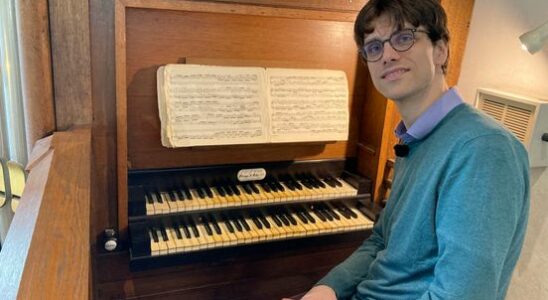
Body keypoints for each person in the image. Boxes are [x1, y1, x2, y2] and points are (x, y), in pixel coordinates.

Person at [285, 0, 530, 299]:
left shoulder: (483, 149)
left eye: (403, 37)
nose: (387, 54)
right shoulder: (414, 139)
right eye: (374, 47)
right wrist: (328, 288)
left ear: (441, 49)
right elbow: (380, 241)